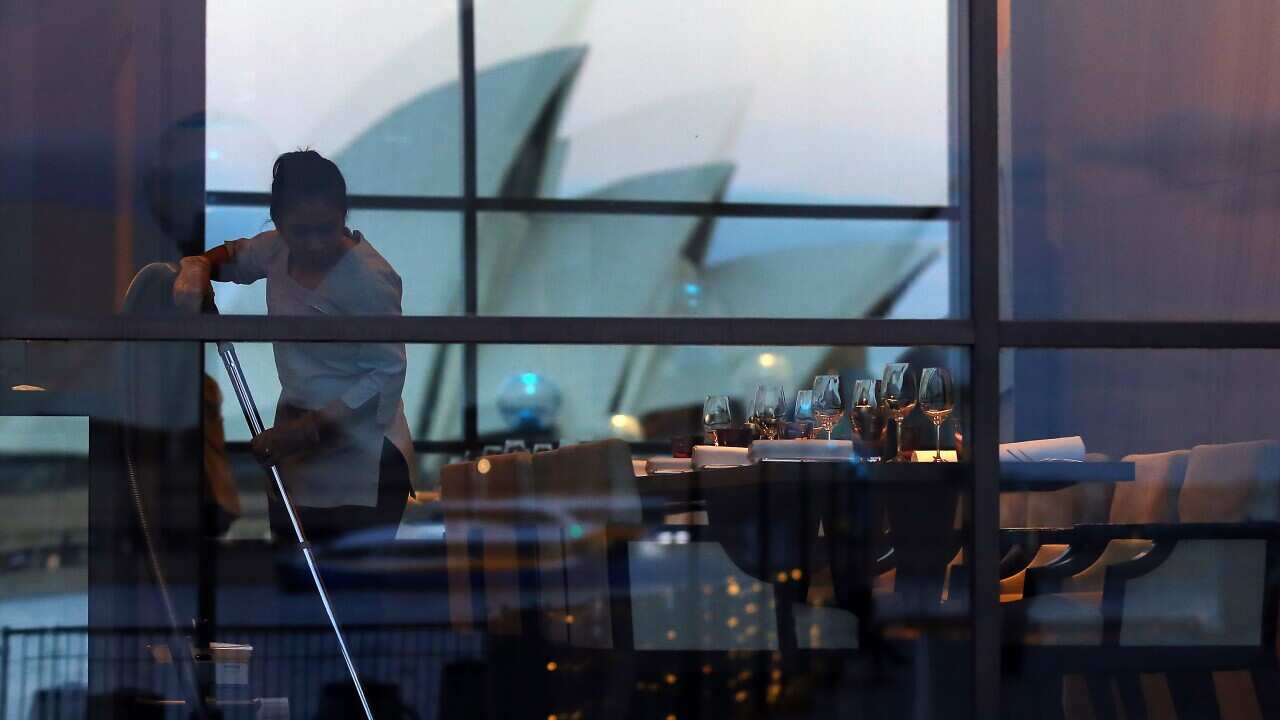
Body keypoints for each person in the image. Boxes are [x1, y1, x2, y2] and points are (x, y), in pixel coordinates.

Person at [173, 150, 414, 543]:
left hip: (366, 456)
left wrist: (307, 431)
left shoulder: (370, 280)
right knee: (295, 579)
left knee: (353, 587)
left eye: (326, 228)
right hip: (299, 452)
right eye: (300, 231)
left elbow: (387, 375)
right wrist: (196, 267)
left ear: (344, 216)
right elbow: (232, 258)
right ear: (279, 223)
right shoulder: (275, 250)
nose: (315, 243)